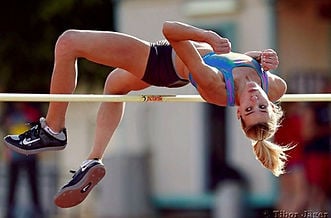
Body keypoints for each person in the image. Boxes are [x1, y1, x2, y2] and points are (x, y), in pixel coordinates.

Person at [4, 21, 288, 208]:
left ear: (238, 112)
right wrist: (260, 58)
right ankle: (93, 159)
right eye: (260, 106)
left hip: (157, 60)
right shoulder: (273, 85)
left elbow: (172, 32)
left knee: (68, 43)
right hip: (170, 68)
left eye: (249, 110)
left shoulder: (214, 83)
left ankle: (53, 130)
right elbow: (238, 63)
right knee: (114, 87)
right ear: (270, 104)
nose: (254, 100)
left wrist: (207, 35)